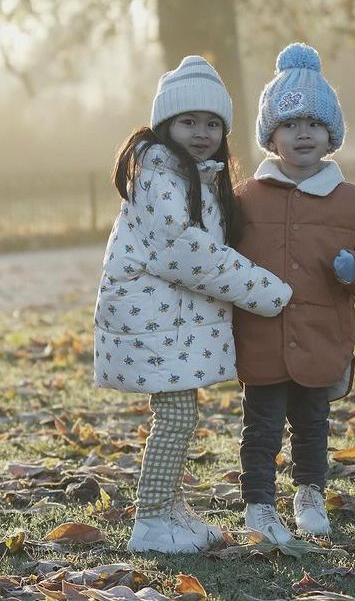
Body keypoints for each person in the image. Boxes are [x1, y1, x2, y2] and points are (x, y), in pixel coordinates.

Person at [94, 56, 293, 554]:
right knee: (176, 419)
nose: (201, 132)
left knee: (182, 416)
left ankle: (171, 508)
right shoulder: (159, 176)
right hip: (151, 321)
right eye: (188, 121)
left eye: (212, 123)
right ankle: (152, 522)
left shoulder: (195, 178)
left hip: (169, 324)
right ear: (165, 124)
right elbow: (187, 252)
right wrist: (267, 292)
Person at [233, 43, 355, 543]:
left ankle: (309, 493)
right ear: (271, 136)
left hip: (321, 336)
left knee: (312, 426)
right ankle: (259, 506)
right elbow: (215, 251)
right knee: (260, 432)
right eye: (288, 124)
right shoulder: (245, 198)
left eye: (313, 123)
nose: (302, 132)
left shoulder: (354, 202)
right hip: (261, 338)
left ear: (332, 134)